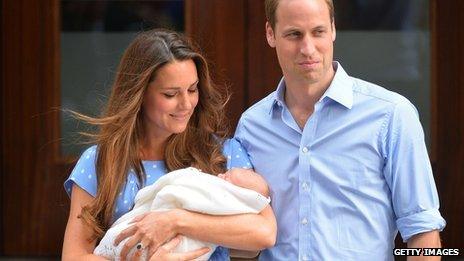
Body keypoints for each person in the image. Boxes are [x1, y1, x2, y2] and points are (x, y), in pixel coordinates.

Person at [234, 0, 446, 260]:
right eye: (294, 34)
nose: (307, 48)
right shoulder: (252, 126)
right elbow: (246, 241)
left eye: (318, 32)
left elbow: (423, 231)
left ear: (333, 29)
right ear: (270, 34)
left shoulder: (391, 115)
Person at [62, 28, 276, 261]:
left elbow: (263, 234)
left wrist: (174, 222)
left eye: (192, 90)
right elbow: (73, 256)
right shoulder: (100, 161)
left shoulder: (223, 154)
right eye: (171, 94)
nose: (186, 104)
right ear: (140, 94)